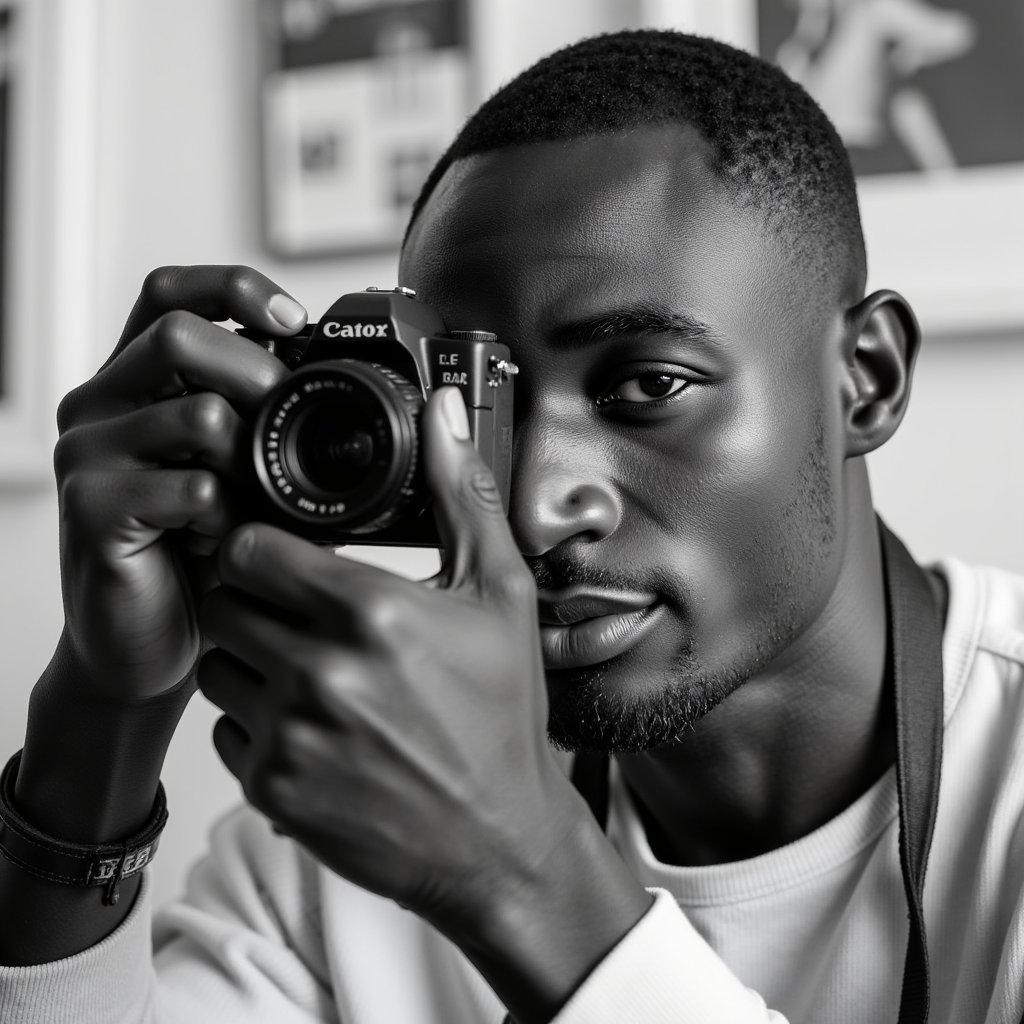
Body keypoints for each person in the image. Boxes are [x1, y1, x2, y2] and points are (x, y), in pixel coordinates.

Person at [0, 28, 1021, 1024]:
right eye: (476, 404)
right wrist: (102, 713)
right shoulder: (383, 788)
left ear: (867, 379)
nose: (534, 502)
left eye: (647, 384)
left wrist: (523, 875)